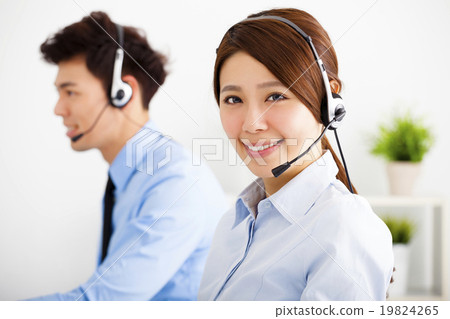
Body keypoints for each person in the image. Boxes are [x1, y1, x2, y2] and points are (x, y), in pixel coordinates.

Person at [29, 11, 227, 301]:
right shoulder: (132, 177)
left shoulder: (175, 183)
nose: (58, 109)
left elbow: (99, 305)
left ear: (123, 93)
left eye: (70, 92)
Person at [198, 8, 393, 301]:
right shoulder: (233, 222)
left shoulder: (345, 228)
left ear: (328, 101)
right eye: (233, 99)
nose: (252, 123)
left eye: (275, 96)